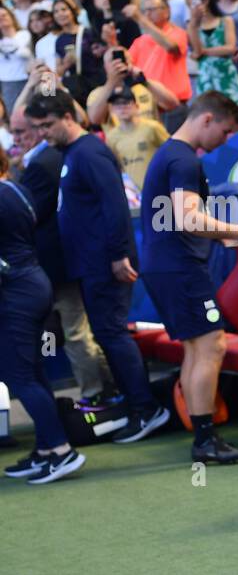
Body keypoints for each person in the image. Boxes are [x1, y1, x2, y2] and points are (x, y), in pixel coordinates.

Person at [24, 89, 171, 443]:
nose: (42, 132)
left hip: (105, 263)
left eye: (47, 124)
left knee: (112, 334)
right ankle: (133, 405)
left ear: (68, 117)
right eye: (38, 127)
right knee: (107, 334)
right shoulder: (71, 154)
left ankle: (146, 409)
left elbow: (115, 203)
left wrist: (120, 254)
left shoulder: (89, 152)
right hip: (90, 263)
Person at [140, 91, 238, 464]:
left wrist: (223, 235)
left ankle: (204, 437)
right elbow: (189, 218)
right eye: (225, 132)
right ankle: (205, 440)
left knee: (198, 346)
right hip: (180, 268)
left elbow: (180, 221)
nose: (225, 141)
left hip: (168, 265)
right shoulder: (183, 160)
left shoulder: (169, 155)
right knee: (212, 345)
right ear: (207, 119)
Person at [8, 101, 118, 408]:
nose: (16, 138)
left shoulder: (45, 163)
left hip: (54, 265)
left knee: (75, 331)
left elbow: (29, 216)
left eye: (22, 131)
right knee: (75, 332)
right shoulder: (50, 158)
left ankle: (98, 393)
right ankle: (106, 389)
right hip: (57, 264)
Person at [0, 146, 86, 485]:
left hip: (16, 294)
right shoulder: (17, 189)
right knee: (32, 373)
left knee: (21, 375)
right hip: (32, 285)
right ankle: (46, 450)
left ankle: (62, 451)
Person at [124, 0, 191, 131]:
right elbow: (127, 64)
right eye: (144, 10)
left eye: (151, 10)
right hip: (146, 107)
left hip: (173, 107)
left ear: (167, 12)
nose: (147, 14)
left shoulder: (178, 33)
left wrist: (140, 19)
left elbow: (171, 47)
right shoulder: (140, 40)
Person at [185, 0, 238, 109]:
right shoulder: (191, 26)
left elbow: (230, 48)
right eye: (189, 5)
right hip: (205, 76)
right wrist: (193, 24)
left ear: (205, 0)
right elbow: (196, 50)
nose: (192, 7)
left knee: (234, 110)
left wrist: (204, 52)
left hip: (226, 73)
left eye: (194, 2)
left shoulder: (226, 21)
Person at [104, 85, 170, 193]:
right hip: (133, 194)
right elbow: (115, 167)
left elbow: (171, 151)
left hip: (159, 188)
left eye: (126, 103)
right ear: (112, 110)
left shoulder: (152, 127)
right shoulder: (111, 137)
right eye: (117, 104)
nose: (122, 108)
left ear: (136, 106)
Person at [0, 6, 33, 115]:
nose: (1, 18)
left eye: (4, 15)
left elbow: (23, 53)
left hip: (24, 79)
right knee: (12, 114)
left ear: (11, 17)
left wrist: (8, 33)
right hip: (6, 82)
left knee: (28, 112)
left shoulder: (24, 34)